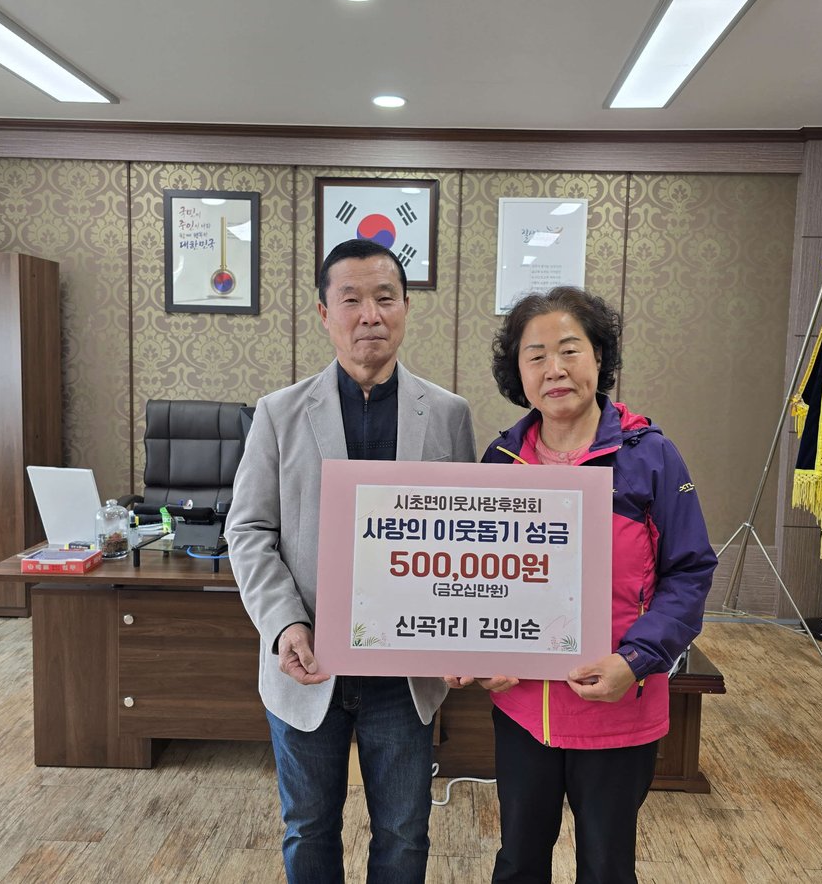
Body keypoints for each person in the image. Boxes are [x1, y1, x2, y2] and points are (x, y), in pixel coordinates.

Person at [225, 237, 476, 884]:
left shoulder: (449, 415)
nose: (371, 315)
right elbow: (248, 529)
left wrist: (462, 635)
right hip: (310, 663)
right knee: (308, 827)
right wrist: (285, 623)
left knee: (404, 831)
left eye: (385, 298)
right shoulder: (279, 413)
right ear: (324, 313)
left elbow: (464, 540)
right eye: (352, 300)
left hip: (405, 672)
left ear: (406, 307)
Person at [448, 286, 716, 884]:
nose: (555, 369)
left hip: (616, 700)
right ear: (518, 373)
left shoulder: (651, 457)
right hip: (523, 707)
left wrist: (636, 660)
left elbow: (690, 571)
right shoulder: (501, 461)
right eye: (536, 356)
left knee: (606, 866)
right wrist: (479, 651)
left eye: (570, 350)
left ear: (599, 356)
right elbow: (477, 577)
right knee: (518, 861)